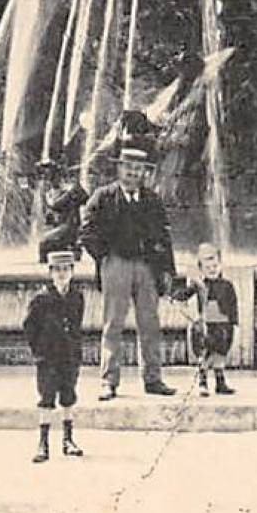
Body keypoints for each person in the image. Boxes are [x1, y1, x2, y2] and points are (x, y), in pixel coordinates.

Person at [80, 145, 177, 400]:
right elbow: (86, 231)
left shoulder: (152, 200)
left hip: (146, 267)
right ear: (119, 168)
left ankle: (153, 378)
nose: (133, 173)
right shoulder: (103, 197)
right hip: (116, 265)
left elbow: (165, 237)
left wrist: (168, 270)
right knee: (113, 324)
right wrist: (104, 256)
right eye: (128, 167)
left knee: (150, 324)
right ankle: (108, 381)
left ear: (144, 172)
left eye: (138, 169)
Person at [22, 243, 87, 463]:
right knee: (46, 398)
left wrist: (76, 350)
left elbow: (77, 325)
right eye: (57, 270)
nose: (61, 274)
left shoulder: (77, 297)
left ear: (72, 271)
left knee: (68, 397)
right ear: (50, 273)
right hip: (48, 358)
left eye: (66, 269)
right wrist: (39, 351)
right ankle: (43, 443)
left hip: (69, 356)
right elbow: (29, 327)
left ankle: (68, 440)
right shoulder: (41, 299)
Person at [169, 242, 239, 397]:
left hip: (223, 326)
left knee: (220, 355)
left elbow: (233, 303)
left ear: (220, 265)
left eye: (215, 266)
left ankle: (220, 383)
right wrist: (175, 295)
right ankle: (203, 382)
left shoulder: (227, 285)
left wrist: (234, 321)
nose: (212, 270)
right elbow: (186, 293)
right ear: (201, 269)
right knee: (205, 355)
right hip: (207, 326)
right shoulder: (200, 286)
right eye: (208, 268)